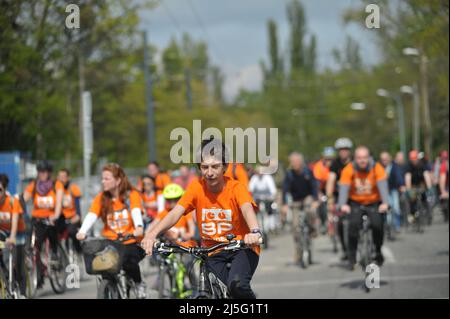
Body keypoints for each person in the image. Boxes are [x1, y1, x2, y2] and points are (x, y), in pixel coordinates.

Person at [142, 138, 262, 299]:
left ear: (225, 167)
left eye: (215, 166)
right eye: (204, 167)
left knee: (236, 285)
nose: (210, 172)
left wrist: (254, 232)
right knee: (208, 292)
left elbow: (247, 208)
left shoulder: (236, 188)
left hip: (242, 248)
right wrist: (152, 234)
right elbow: (175, 212)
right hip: (212, 251)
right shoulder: (196, 187)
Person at [76, 163, 147, 299]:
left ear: (118, 180)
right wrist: (83, 231)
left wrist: (138, 227)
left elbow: (136, 211)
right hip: (111, 242)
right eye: (102, 179)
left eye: (107, 178)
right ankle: (109, 289)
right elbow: (92, 215)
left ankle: (138, 284)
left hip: (130, 240)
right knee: (103, 265)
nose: (103, 182)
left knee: (129, 261)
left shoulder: (130, 195)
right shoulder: (101, 198)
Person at [338, 146, 390, 270]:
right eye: (359, 158)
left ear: (369, 158)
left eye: (365, 158)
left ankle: (377, 251)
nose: (362, 160)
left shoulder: (377, 168)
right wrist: (342, 204)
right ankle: (351, 257)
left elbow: (383, 186)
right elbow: (344, 188)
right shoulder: (348, 169)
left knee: (378, 225)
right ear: (355, 159)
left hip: (374, 202)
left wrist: (385, 203)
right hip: (355, 202)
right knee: (353, 226)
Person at [22, 160, 64, 288]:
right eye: (40, 171)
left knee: (52, 231)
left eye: (44, 172)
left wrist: (55, 215)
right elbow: (23, 199)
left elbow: (59, 203)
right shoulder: (34, 185)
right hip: (38, 219)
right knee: (35, 246)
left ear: (49, 172)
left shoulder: (57, 185)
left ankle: (55, 253)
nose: (42, 174)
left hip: (51, 218)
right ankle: (38, 271)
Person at [282, 152, 319, 268]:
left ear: (301, 162)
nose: (294, 164)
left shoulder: (308, 172)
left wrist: (315, 200)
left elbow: (314, 187)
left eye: (296, 161)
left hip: (307, 198)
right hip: (295, 201)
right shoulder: (289, 174)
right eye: (292, 162)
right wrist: (284, 204)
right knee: (295, 226)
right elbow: (285, 189)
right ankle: (298, 252)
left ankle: (312, 229)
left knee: (310, 210)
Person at [325, 137, 354, 261]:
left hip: (354, 195)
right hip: (339, 197)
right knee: (340, 223)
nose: (343, 152)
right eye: (341, 150)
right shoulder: (335, 164)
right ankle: (345, 249)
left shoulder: (354, 162)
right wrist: (330, 198)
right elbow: (330, 180)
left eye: (346, 149)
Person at [0, 174, 27, 297]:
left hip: (17, 232)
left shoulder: (12, 201)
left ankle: (21, 292)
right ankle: (5, 279)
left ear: (5, 190)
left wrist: (12, 237)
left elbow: (15, 222)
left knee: (18, 262)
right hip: (2, 233)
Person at [56, 168, 82, 254]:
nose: (61, 179)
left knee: (72, 232)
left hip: (72, 217)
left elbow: (78, 210)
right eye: (60, 177)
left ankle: (78, 250)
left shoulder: (73, 188)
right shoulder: (55, 190)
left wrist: (77, 216)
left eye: (64, 177)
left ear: (68, 178)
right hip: (61, 218)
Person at [404, 150, 433, 223]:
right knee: (412, 200)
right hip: (412, 185)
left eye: (415, 159)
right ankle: (413, 215)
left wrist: (429, 188)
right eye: (412, 159)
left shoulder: (422, 164)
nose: (414, 161)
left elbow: (426, 175)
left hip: (421, 184)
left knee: (425, 198)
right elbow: (408, 177)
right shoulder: (408, 166)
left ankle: (428, 213)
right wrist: (409, 189)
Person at [379, 152, 405, 232]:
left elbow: (398, 176)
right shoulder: (379, 167)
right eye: (383, 160)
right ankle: (388, 225)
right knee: (387, 208)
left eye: (386, 159)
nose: (385, 161)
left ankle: (397, 225)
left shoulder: (394, 166)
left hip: (393, 189)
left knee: (396, 207)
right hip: (384, 191)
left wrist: (401, 185)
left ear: (389, 159)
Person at [313, 147, 336, 234]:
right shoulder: (319, 166)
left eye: (331, 159)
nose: (329, 161)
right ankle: (323, 222)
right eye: (327, 159)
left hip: (335, 188)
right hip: (322, 189)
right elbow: (316, 183)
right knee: (321, 204)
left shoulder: (336, 165)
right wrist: (319, 194)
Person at [249, 166, 278, 233]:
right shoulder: (254, 178)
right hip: (258, 198)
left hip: (268, 198)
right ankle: (257, 224)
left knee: (270, 209)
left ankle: (272, 226)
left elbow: (273, 190)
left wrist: (273, 196)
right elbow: (250, 189)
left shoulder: (268, 178)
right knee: (255, 210)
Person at [438, 150, 449, 222]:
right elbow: (442, 179)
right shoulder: (442, 165)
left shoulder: (444, 165)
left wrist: (443, 192)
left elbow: (442, 179)